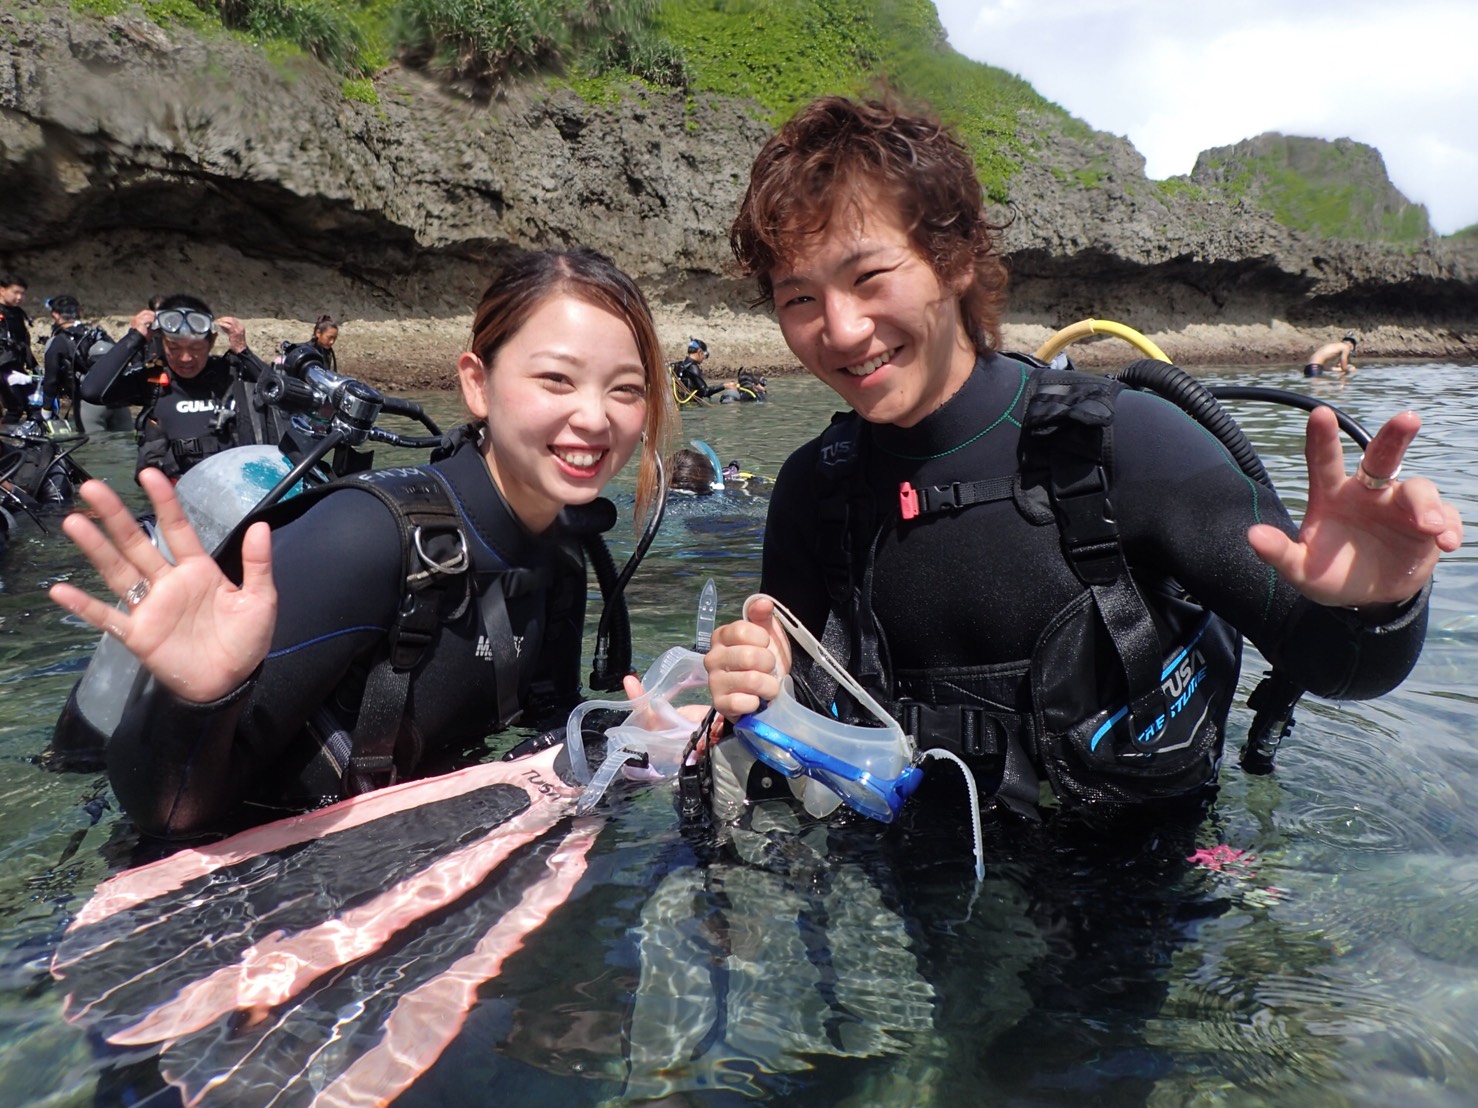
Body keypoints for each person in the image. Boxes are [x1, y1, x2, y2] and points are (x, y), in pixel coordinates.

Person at [703, 96, 1462, 828]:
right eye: (799, 299)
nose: (840, 329)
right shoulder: (815, 489)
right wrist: (760, 688)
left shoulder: (1128, 445)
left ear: (956, 260)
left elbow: (1342, 668)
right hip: (908, 875)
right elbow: (798, 731)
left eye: (870, 277)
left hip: (1142, 879)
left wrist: (1381, 605)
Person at [47, 247, 677, 839]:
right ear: (477, 385)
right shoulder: (364, 538)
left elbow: (544, 733)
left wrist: (644, 738)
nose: (595, 417)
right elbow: (167, 818)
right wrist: (197, 698)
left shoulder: (562, 551)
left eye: (625, 388)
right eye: (557, 380)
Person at [79, 293, 270, 479]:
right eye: (174, 348)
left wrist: (243, 351)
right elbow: (91, 391)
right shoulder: (151, 380)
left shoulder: (229, 373)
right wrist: (135, 337)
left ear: (211, 341)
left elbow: (279, 393)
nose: (185, 358)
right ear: (161, 342)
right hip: (170, 492)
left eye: (195, 348)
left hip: (229, 487)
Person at [40, 295, 130, 433]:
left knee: (93, 444)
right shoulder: (99, 335)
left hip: (89, 404)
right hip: (119, 399)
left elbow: (51, 380)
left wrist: (46, 410)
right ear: (80, 312)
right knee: (125, 441)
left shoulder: (58, 342)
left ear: (55, 314)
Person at [0, 274, 37, 425]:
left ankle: (34, 433)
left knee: (34, 403)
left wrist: (33, 363)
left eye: (22, 293)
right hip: (3, 366)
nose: (20, 297)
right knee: (15, 407)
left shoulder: (17, 313)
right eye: (15, 292)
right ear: (2, 290)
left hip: (15, 365)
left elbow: (23, 341)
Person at [671, 338, 738, 404]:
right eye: (705, 355)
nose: (704, 358)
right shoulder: (693, 367)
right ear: (700, 352)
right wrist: (725, 386)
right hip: (692, 407)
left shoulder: (679, 365)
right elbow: (705, 391)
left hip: (680, 405)